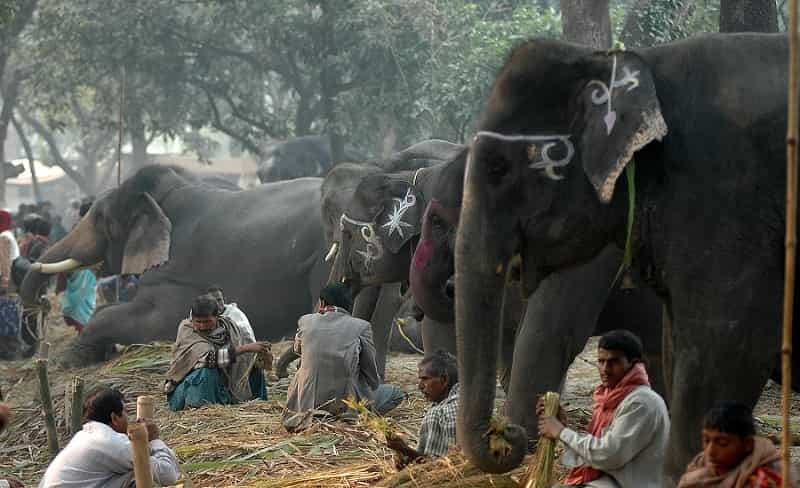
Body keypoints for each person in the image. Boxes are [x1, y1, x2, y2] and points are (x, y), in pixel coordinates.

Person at [538, 329, 670, 488]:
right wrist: (564, 426)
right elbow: (592, 454)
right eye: (601, 361)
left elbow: (609, 455)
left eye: (613, 362)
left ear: (633, 364)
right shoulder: (610, 398)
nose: (605, 369)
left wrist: (561, 432)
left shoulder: (641, 403)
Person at [286, 283, 404, 417]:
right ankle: (356, 416)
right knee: (395, 393)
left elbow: (297, 350)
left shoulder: (305, 321)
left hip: (305, 405)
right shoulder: (362, 326)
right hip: (344, 405)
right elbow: (371, 376)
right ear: (349, 305)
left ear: (322, 303)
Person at [39, 387, 180, 488]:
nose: (128, 418)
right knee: (140, 475)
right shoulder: (111, 442)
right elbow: (169, 475)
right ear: (114, 418)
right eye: (124, 412)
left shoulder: (87, 436)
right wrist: (154, 439)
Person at [165, 294, 270, 411]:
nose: (202, 326)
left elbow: (245, 348)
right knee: (205, 372)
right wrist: (244, 349)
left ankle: (259, 407)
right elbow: (210, 359)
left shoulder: (228, 327)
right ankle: (200, 410)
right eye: (198, 321)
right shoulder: (187, 330)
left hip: (222, 386)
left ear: (217, 317)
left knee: (253, 366)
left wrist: (258, 352)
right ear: (192, 318)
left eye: (207, 321)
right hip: (187, 392)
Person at [678, 401, 796, 488]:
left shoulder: (767, 478)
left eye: (722, 443)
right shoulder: (700, 464)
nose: (710, 451)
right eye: (706, 440)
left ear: (747, 444)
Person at [386, 350, 459, 468]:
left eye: (425, 379)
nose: (420, 386)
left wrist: (405, 450)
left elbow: (439, 468)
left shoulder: (443, 412)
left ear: (444, 379)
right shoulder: (468, 402)